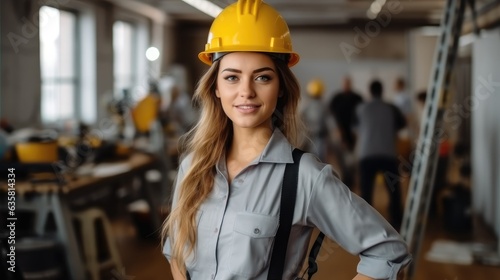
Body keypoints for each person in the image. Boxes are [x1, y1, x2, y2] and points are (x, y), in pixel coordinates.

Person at [162, 1, 411, 279]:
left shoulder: (305, 177)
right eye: (232, 77)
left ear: (280, 88)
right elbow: (176, 252)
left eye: (262, 77)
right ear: (216, 88)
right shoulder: (192, 167)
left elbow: (387, 252)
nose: (246, 91)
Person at [354, 80, 407, 229]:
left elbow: (354, 127)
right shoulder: (391, 108)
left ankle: (366, 222)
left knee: (366, 189)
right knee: (393, 189)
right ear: (382, 91)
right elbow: (402, 124)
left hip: (367, 153)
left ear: (370, 92)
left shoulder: (361, 108)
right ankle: (397, 220)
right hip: (387, 153)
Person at [328, 76, 363, 152]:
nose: (346, 85)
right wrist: (335, 128)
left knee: (352, 152)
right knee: (340, 152)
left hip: (353, 129)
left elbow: (362, 115)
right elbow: (330, 114)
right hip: (340, 128)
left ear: (350, 84)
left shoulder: (357, 98)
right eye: (344, 83)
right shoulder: (336, 98)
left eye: (348, 83)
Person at [300, 78, 329, 161]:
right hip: (319, 138)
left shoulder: (306, 106)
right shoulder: (324, 106)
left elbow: (301, 120)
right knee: (320, 161)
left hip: (310, 137)